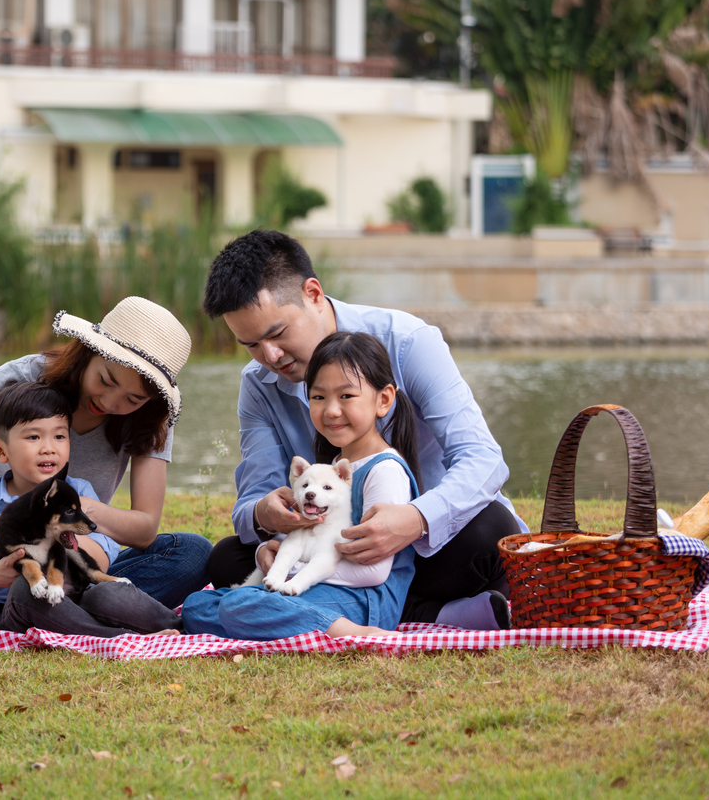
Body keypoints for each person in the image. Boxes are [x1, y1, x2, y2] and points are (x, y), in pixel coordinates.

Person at [201, 230, 526, 630]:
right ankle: (435, 614)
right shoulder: (258, 385)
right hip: (334, 554)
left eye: (277, 334)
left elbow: (483, 460)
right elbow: (252, 499)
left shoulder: (408, 342)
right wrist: (265, 517)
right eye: (250, 345)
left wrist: (414, 519)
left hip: (431, 550)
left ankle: (342, 610)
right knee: (228, 557)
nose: (270, 357)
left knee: (490, 529)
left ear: (313, 294)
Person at [0, 297, 211, 629]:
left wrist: (69, 515)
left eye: (132, 399)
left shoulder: (151, 417)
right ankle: (86, 616)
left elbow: (145, 528)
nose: (109, 402)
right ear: (89, 351)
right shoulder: (16, 382)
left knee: (192, 552)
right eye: (105, 381)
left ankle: (53, 611)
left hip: (79, 559)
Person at [183, 331, 423, 639]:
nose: (331, 410)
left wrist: (294, 571)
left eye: (346, 396)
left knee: (238, 605)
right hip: (314, 589)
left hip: (364, 600)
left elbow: (374, 571)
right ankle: (278, 618)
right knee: (196, 605)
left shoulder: (384, 470)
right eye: (319, 397)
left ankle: (349, 632)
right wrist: (280, 559)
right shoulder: (331, 470)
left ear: (383, 399)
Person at [0, 380, 181, 636]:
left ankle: (177, 626)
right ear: (1, 451)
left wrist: (56, 535)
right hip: (21, 606)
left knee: (109, 592)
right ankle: (118, 638)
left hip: (76, 592)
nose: (49, 448)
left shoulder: (79, 494)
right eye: (33, 437)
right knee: (25, 590)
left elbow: (98, 563)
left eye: (59, 436)